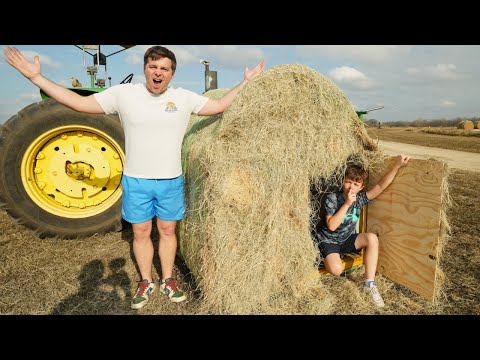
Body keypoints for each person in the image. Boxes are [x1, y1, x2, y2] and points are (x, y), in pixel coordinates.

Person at [4, 45, 265, 310]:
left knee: (167, 230)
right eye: (153, 67)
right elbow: (79, 102)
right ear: (145, 69)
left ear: (172, 74)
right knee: (140, 233)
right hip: (136, 180)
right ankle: (145, 280)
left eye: (164, 68)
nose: (158, 72)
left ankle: (168, 279)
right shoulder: (124, 94)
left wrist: (246, 82)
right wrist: (37, 78)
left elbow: (220, 105)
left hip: (170, 180)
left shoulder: (184, 98)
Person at [315, 154, 410, 307]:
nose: (351, 187)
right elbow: (332, 226)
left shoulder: (359, 199)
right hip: (329, 240)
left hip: (345, 239)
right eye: (348, 182)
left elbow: (380, 186)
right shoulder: (332, 198)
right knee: (336, 270)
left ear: (361, 187)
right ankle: (321, 255)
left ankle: (369, 284)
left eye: (355, 184)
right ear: (342, 182)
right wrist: (346, 204)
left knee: (372, 238)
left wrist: (397, 166)